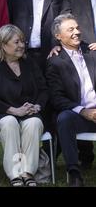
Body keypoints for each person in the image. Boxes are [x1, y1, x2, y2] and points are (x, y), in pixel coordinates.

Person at [0, 24, 48, 187]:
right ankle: (15, 173)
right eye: (16, 42)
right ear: (3, 45)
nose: (21, 45)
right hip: (1, 114)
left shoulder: (29, 64)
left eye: (23, 42)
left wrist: (37, 106)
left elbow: (44, 90)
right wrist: (14, 111)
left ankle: (28, 172)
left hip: (29, 112)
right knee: (10, 123)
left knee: (34, 123)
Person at [46, 13, 96, 187]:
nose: (77, 32)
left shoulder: (92, 51)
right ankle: (74, 173)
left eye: (77, 28)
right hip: (78, 115)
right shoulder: (55, 62)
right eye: (71, 29)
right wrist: (83, 111)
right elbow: (57, 98)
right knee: (64, 118)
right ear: (58, 36)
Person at [58, 0, 96, 167]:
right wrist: (59, 45)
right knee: (82, 98)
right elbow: (64, 20)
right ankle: (85, 156)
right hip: (81, 55)